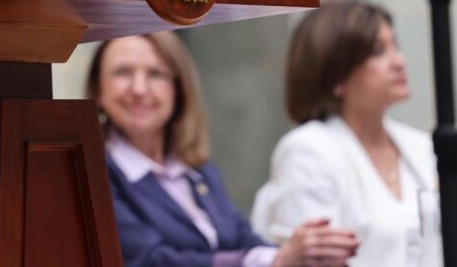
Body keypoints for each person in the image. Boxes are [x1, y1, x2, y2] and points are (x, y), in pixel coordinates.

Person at [87, 32, 360, 267]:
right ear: (98, 89)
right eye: (123, 72)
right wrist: (276, 260)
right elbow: (149, 260)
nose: (139, 89)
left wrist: (304, 252)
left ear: (178, 88)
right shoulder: (92, 172)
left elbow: (243, 238)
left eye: (155, 74)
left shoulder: (198, 170)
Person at [252, 0, 438, 267]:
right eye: (378, 51)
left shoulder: (421, 146)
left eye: (395, 45)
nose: (399, 61)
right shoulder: (307, 152)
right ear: (335, 72)